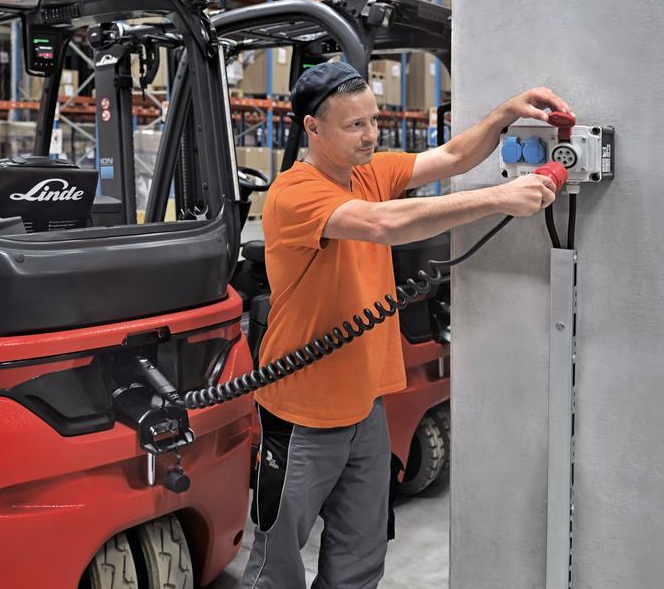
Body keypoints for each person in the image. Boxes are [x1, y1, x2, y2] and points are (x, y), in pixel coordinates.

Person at [241, 61, 572, 589]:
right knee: (276, 558)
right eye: (355, 126)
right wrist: (499, 199)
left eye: (374, 120)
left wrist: (506, 113)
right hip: (303, 408)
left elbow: (453, 156)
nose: (370, 135)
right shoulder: (294, 193)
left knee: (362, 549)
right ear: (313, 128)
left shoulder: (371, 171)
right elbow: (382, 224)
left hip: (366, 405)